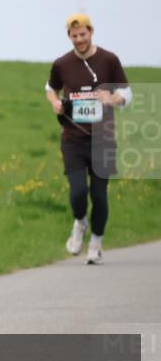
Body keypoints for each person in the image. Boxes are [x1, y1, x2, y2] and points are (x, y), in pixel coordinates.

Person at [45, 14, 131, 264]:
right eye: (75, 36)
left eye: (83, 34)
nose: (80, 40)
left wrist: (113, 99)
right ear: (69, 37)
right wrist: (55, 104)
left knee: (99, 194)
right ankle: (80, 222)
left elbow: (127, 92)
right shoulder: (62, 64)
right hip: (73, 139)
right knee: (78, 192)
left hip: (103, 138)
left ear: (91, 32)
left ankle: (96, 242)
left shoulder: (109, 59)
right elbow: (51, 89)